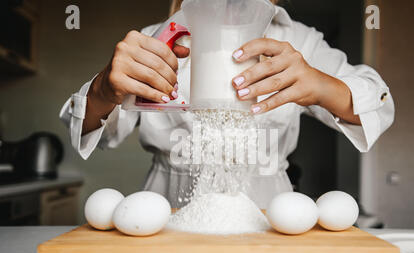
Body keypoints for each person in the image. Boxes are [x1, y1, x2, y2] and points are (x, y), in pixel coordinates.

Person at [60, 0, 394, 209]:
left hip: (267, 209)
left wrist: (321, 85)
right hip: (166, 205)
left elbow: (378, 105)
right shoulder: (156, 38)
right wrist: (105, 89)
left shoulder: (300, 41)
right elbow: (93, 134)